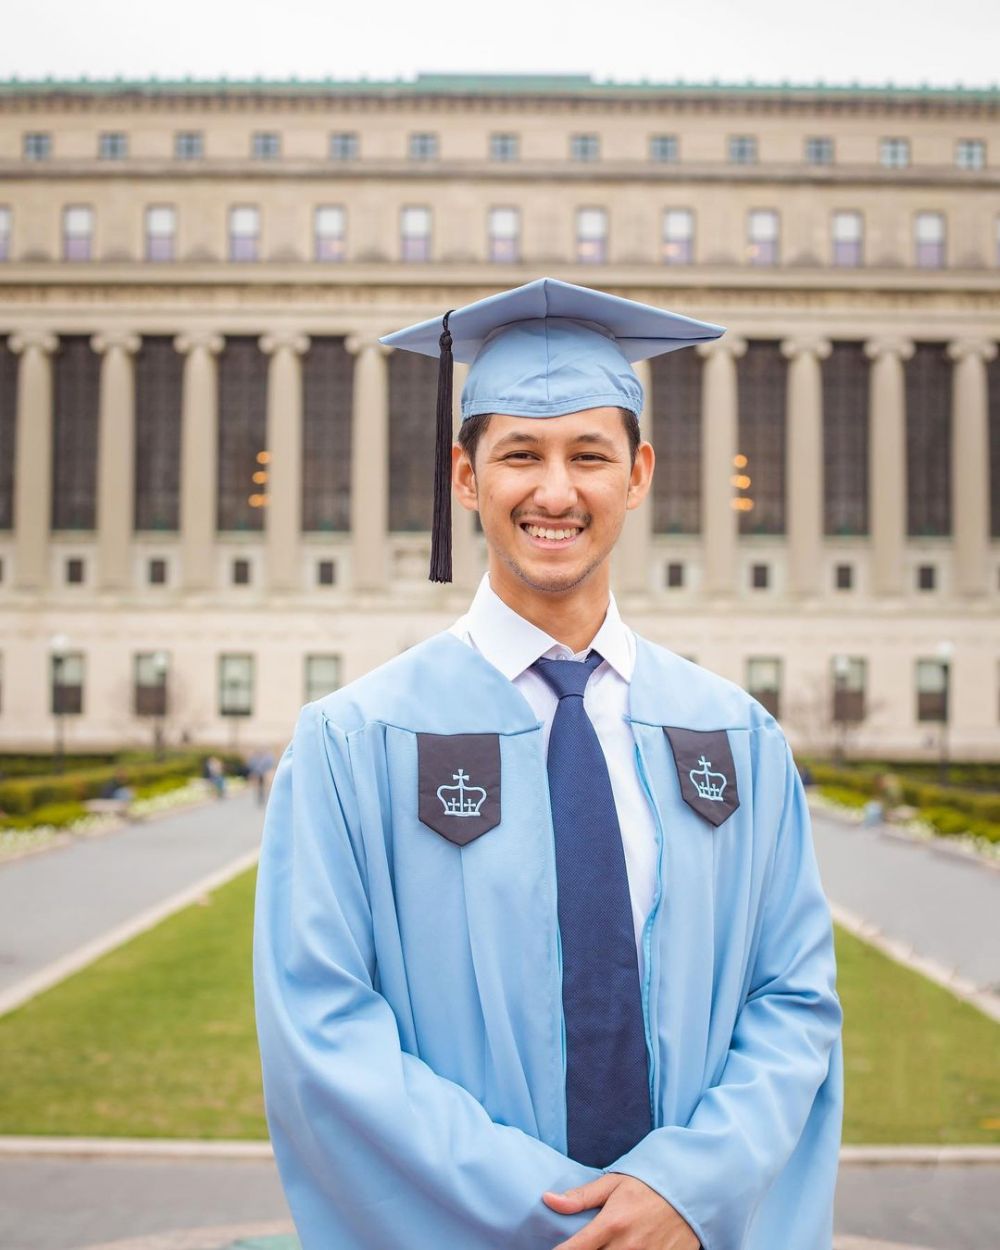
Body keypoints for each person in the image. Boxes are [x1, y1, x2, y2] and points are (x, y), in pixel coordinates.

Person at [254, 278, 843, 1250]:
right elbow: (325, 1033)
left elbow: (793, 998)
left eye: (590, 455)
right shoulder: (352, 743)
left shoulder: (735, 736)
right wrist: (566, 1221)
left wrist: (684, 1190)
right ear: (465, 475)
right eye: (521, 453)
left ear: (638, 474)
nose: (556, 492)